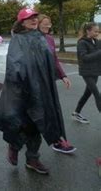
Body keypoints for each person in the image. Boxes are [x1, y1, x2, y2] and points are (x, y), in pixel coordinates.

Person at [0, 8, 66, 175]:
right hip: (22, 91)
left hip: (41, 90)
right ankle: (14, 145)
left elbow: (49, 61)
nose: (34, 20)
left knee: (38, 124)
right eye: (29, 18)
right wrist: (21, 88)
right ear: (22, 22)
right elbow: (15, 66)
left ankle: (32, 158)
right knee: (21, 124)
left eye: (35, 17)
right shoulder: (18, 39)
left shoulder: (42, 38)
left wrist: (58, 76)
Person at [37, 15, 76, 153]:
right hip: (35, 82)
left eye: (49, 24)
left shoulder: (49, 39)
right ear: (38, 24)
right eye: (45, 24)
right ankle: (16, 141)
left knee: (52, 111)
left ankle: (58, 140)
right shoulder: (32, 39)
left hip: (48, 81)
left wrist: (63, 75)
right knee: (35, 114)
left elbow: (54, 59)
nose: (48, 26)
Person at [72, 22, 101, 123]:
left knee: (87, 94)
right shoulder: (82, 43)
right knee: (97, 95)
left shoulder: (96, 41)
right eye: (95, 31)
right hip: (87, 72)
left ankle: (76, 112)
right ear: (88, 31)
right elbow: (84, 58)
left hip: (95, 71)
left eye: (98, 31)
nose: (97, 33)